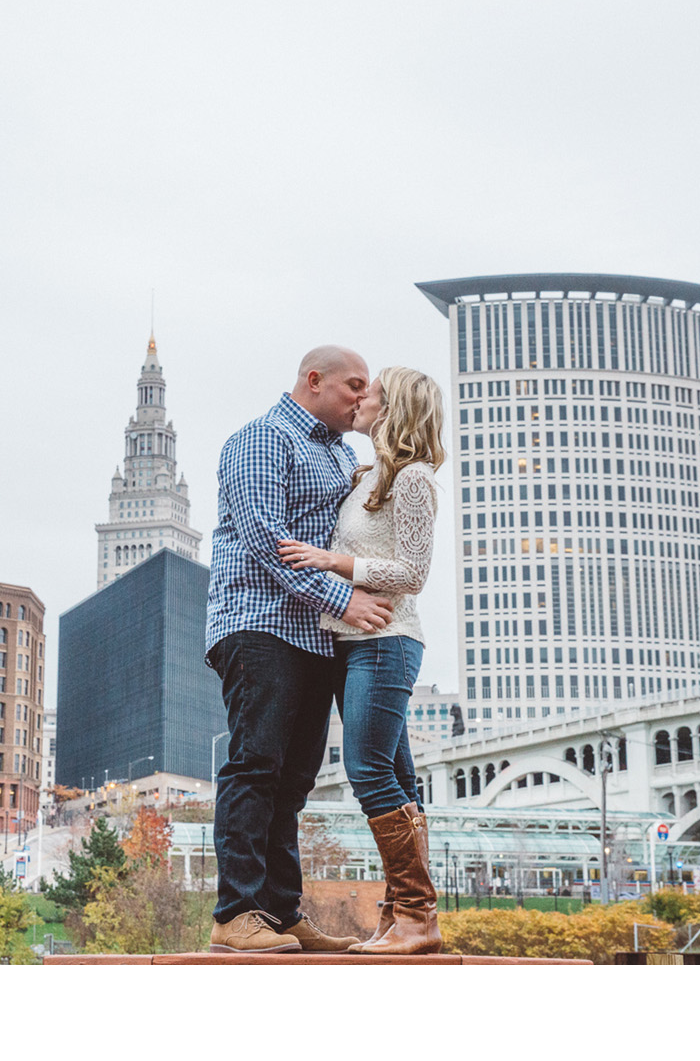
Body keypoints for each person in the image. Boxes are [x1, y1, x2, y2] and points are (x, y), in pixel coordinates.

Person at [204, 345, 397, 954]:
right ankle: (235, 915)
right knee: (255, 766)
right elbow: (266, 538)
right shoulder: (262, 440)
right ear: (315, 381)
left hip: (316, 635)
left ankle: (281, 914)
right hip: (259, 623)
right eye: (354, 386)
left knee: (293, 783)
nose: (363, 400)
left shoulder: (343, 454)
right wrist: (343, 601)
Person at [279, 364, 446, 955]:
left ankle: (417, 919)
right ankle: (402, 918)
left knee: (370, 771)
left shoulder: (416, 478)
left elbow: (413, 574)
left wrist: (334, 564)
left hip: (387, 640)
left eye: (372, 391)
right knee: (397, 778)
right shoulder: (367, 475)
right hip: (351, 646)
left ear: (393, 405)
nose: (361, 397)